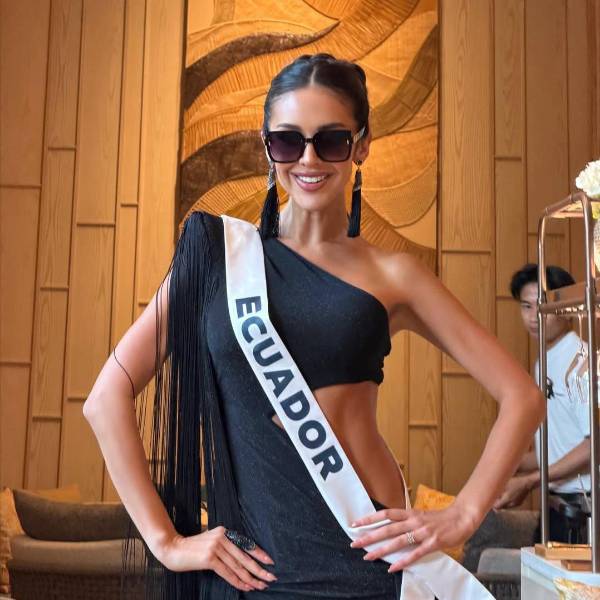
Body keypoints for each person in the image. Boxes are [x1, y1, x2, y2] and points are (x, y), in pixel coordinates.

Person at [83, 54, 544, 599]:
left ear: (362, 145)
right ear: (267, 146)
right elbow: (105, 398)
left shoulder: (396, 275)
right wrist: (167, 542)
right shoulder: (215, 256)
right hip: (251, 567)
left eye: (331, 141)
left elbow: (522, 397)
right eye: (287, 141)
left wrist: (462, 514)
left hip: (365, 556)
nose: (308, 159)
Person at [495, 264, 591, 542]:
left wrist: (529, 481)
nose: (533, 316)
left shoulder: (582, 363)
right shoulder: (543, 363)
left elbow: (593, 445)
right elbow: (554, 450)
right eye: (526, 306)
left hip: (584, 509)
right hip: (555, 508)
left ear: (568, 308)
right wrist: (505, 467)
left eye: (542, 306)